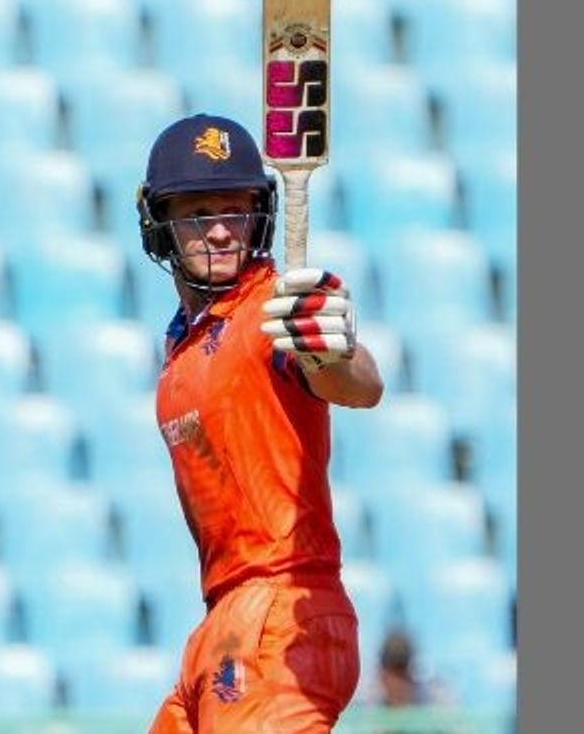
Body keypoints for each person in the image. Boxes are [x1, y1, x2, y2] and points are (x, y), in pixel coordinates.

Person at [136, 114, 384, 733]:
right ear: (159, 225)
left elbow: (356, 383)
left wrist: (332, 346)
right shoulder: (185, 345)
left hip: (280, 610)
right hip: (227, 621)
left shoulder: (275, 307)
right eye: (197, 213)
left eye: (235, 210)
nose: (221, 229)